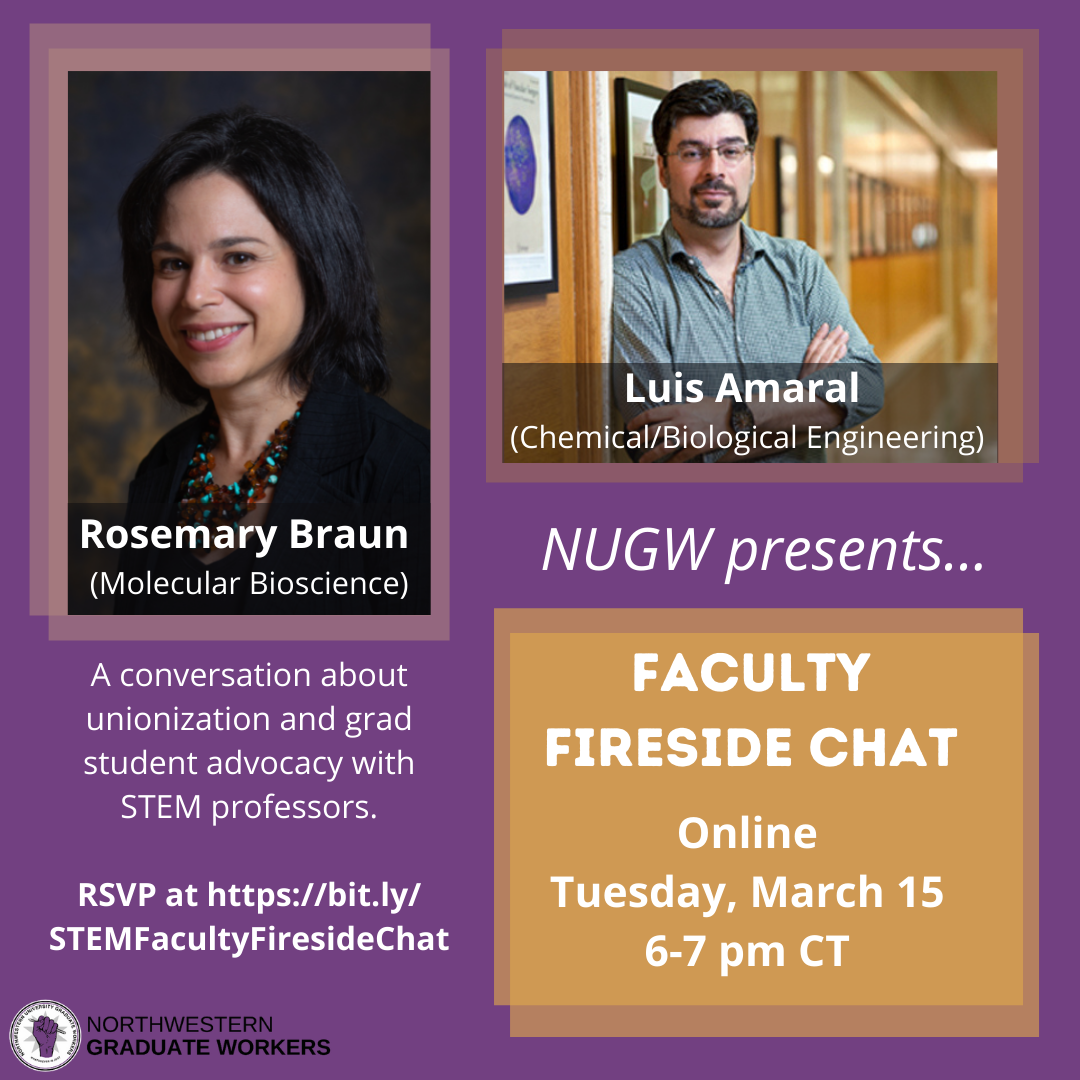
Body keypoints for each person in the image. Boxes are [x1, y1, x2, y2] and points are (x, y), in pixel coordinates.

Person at [113, 107, 429, 613]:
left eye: (238, 257)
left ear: (317, 265)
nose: (195, 295)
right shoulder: (162, 469)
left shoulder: (410, 474)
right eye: (172, 264)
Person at [612, 79, 883, 463]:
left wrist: (727, 419)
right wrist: (799, 402)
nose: (714, 170)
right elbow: (668, 451)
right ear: (662, 169)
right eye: (692, 153)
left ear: (751, 165)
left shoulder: (800, 266)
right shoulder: (631, 281)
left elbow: (867, 386)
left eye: (731, 151)